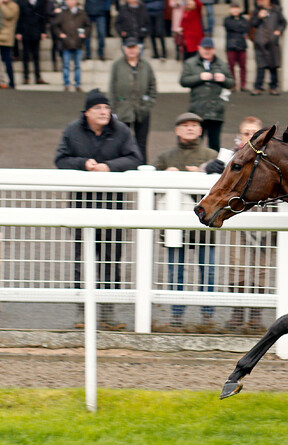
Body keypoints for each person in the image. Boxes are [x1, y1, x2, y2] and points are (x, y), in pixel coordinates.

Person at [55, 89, 143, 330]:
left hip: (113, 206)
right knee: (82, 259)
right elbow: (61, 160)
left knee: (111, 259)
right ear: (87, 113)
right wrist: (82, 164)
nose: (104, 112)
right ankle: (83, 313)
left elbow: (136, 158)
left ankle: (108, 313)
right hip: (81, 205)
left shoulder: (122, 130)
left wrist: (109, 167)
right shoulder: (72, 130)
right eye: (99, 108)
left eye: (107, 108)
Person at [154, 112, 220, 329]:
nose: (190, 129)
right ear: (177, 130)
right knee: (176, 271)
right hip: (174, 227)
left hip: (204, 226)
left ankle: (208, 317)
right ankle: (176, 316)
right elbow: (152, 188)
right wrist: (166, 175)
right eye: (185, 125)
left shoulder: (212, 155)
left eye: (194, 125)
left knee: (208, 270)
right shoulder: (165, 157)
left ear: (201, 130)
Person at [226, 116, 272, 333]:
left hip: (265, 219)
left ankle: (255, 316)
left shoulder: (269, 157)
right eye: (246, 133)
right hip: (238, 217)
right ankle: (236, 313)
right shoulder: (229, 156)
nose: (249, 137)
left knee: (262, 268)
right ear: (240, 135)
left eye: (254, 133)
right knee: (238, 265)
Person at [179, 37, 234, 151]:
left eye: (209, 49)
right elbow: (183, 81)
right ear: (199, 48)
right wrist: (199, 77)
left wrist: (223, 79)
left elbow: (231, 83)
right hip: (197, 110)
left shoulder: (222, 64)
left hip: (216, 112)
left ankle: (213, 168)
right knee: (194, 143)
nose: (207, 51)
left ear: (214, 49)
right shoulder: (191, 63)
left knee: (214, 145)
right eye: (205, 48)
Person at [109, 36, 156, 160]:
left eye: (134, 47)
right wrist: (114, 109)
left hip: (142, 110)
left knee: (141, 143)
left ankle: (142, 167)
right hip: (123, 110)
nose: (131, 50)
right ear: (124, 49)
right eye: (129, 47)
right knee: (121, 141)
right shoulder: (117, 65)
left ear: (139, 49)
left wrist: (148, 104)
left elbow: (152, 86)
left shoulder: (146, 65)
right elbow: (112, 87)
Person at [249, 0, 285, 95]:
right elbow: (253, 24)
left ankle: (273, 86)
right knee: (261, 65)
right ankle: (258, 86)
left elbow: (283, 22)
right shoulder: (257, 11)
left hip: (272, 42)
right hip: (260, 42)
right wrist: (259, 17)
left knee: (273, 65)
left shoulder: (276, 10)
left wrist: (278, 31)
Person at [52, 0, 88, 92]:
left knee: (77, 65)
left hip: (78, 42)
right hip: (66, 43)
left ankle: (77, 84)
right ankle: (66, 83)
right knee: (66, 65)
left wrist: (84, 34)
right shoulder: (63, 13)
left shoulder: (82, 13)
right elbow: (55, 26)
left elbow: (88, 26)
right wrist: (60, 35)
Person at [15, 0, 49, 84]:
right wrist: (18, 31)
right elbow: (19, 18)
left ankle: (38, 77)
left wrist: (43, 31)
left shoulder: (40, 3)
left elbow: (43, 17)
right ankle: (26, 77)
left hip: (36, 32)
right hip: (25, 32)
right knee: (25, 56)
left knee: (36, 56)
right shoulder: (22, 3)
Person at [223, 2, 249, 92]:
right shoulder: (227, 20)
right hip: (231, 45)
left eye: (237, 8)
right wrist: (240, 28)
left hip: (242, 45)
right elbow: (232, 26)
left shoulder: (243, 20)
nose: (235, 10)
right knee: (231, 66)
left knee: (243, 66)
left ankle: (243, 85)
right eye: (233, 8)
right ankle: (232, 85)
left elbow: (246, 27)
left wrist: (239, 28)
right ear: (230, 10)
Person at [0, 0, 19, 89]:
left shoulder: (13, 6)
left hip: (6, 38)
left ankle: (12, 82)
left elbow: (9, 15)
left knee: (7, 61)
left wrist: (1, 5)